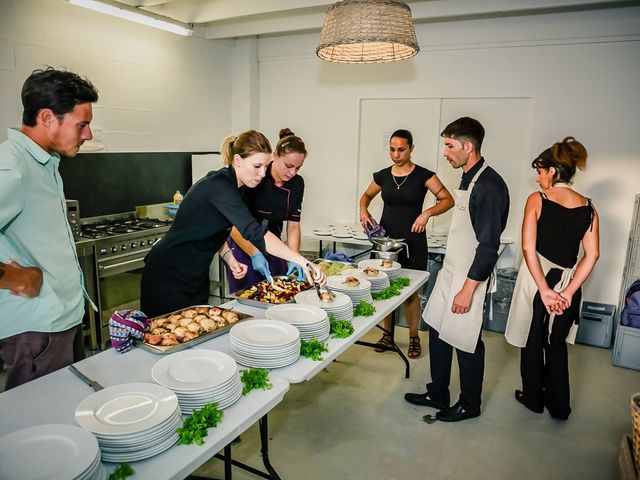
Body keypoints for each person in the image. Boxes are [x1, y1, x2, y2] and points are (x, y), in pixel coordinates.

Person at [140, 130, 325, 318]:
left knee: (197, 334)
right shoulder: (219, 186)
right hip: (168, 272)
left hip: (195, 272)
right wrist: (303, 261)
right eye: (257, 166)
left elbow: (210, 228)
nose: (262, 174)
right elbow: (255, 232)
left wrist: (229, 257)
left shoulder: (237, 188)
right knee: (166, 334)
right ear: (237, 160)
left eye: (265, 166)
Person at [404, 117, 509, 422]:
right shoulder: (467, 178)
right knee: (436, 329)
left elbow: (489, 246)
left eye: (449, 146)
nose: (446, 152)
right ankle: (438, 392)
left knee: (466, 341)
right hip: (451, 272)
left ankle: (470, 404)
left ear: (468, 146)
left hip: (469, 279)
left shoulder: (489, 185)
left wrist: (467, 289)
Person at [0, 68, 98, 390]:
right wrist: (13, 277)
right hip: (38, 329)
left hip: (62, 318)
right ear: (47, 118)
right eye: (81, 125)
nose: (88, 135)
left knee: (70, 416)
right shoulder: (12, 167)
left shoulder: (44, 161)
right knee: (41, 427)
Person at [505, 137, 599, 420]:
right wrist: (568, 292)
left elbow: (527, 247)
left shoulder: (538, 200)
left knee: (532, 341)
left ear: (554, 172)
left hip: (538, 280)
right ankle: (560, 407)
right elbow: (592, 255)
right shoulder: (589, 207)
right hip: (568, 283)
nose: (538, 178)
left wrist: (544, 289)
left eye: (540, 171)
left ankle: (533, 399)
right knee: (555, 345)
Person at [359, 129, 454, 358]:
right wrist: (363, 212)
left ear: (411, 149)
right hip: (386, 241)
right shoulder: (382, 175)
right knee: (385, 287)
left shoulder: (424, 175)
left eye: (401, 149)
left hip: (413, 240)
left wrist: (427, 214)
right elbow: (365, 197)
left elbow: (448, 199)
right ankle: (387, 334)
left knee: (412, 291)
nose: (396, 154)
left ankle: (413, 337)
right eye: (392, 149)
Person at [225, 128, 308, 292]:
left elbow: (293, 225)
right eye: (288, 166)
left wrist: (295, 257)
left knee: (279, 295)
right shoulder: (254, 177)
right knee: (249, 297)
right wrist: (254, 253)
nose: (292, 172)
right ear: (274, 155)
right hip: (244, 245)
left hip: (275, 246)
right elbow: (233, 224)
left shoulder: (297, 184)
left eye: (298, 168)